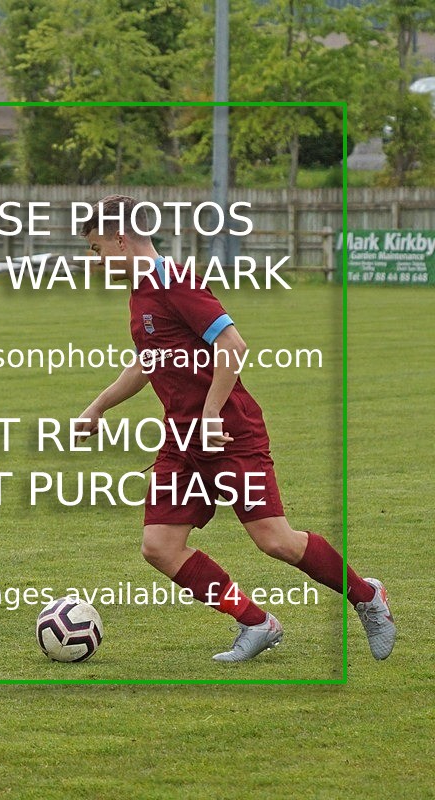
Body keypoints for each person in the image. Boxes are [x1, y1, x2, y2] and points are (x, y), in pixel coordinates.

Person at [76, 195, 395, 662]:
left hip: (229, 432)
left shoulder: (173, 281)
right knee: (160, 545)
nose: (95, 260)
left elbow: (233, 344)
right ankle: (256, 623)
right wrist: (98, 407)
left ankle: (367, 597)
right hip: (183, 440)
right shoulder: (141, 291)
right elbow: (149, 363)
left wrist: (208, 416)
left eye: (97, 248)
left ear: (121, 240)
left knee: (276, 541)